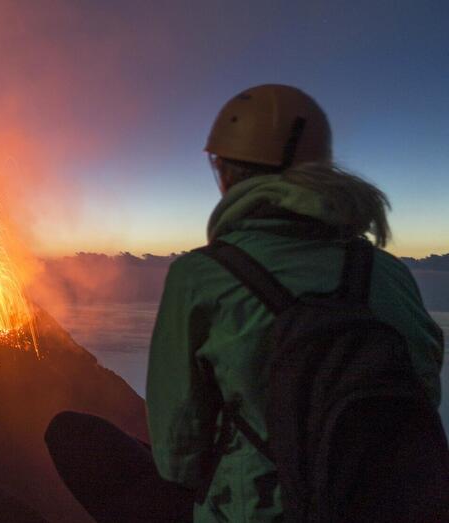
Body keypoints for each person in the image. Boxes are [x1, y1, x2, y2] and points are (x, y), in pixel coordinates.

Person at [46, 84, 446, 522]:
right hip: (389, 505)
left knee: (72, 436)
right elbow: (423, 393)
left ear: (227, 172)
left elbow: (180, 457)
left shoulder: (201, 276)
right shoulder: (389, 273)